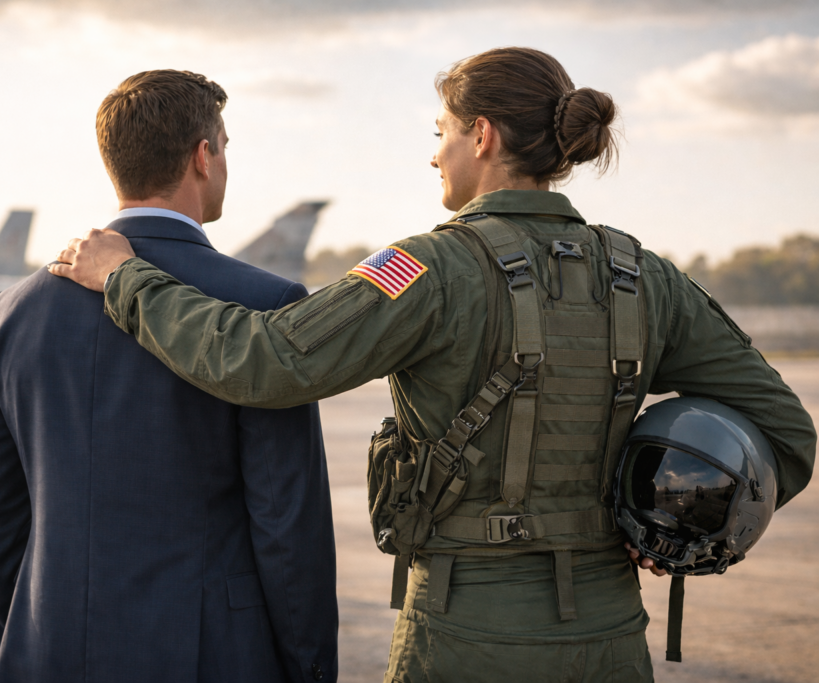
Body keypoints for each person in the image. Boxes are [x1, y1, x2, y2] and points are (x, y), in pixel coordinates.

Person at [49, 49, 816, 682]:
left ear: (481, 136)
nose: (433, 151)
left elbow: (267, 360)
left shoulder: (422, 268)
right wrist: (670, 528)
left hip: (463, 635)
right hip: (611, 638)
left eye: (442, 130)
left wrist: (126, 278)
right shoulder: (644, 275)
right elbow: (787, 435)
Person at [0, 70, 338, 683]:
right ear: (202, 156)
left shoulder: (9, 312)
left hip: (49, 649)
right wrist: (309, 667)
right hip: (214, 657)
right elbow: (288, 523)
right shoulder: (266, 303)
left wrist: (33, 635)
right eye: (225, 148)